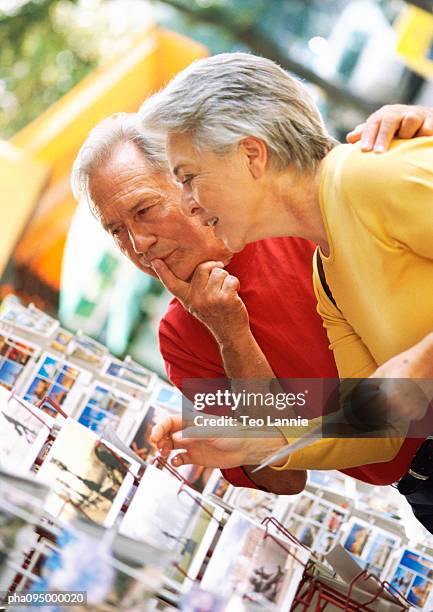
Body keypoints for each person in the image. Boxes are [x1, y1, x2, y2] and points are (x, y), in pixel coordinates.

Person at [71, 104, 433, 495]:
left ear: (184, 181)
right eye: (116, 231)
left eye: (143, 210)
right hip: (418, 475)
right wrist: (230, 334)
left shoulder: (284, 213)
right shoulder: (178, 335)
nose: (139, 244)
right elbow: (283, 476)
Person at [141, 53, 433, 531]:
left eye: (189, 178)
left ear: (252, 155)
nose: (189, 205)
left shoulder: (368, 178)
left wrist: (424, 360)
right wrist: (253, 441)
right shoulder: (326, 268)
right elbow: (379, 429)